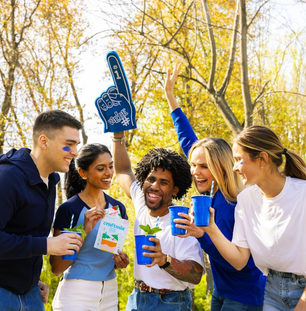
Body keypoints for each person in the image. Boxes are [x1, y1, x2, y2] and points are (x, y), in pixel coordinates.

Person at [164, 63, 267, 310]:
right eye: (193, 164)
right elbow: (189, 140)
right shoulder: (209, 191)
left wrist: (202, 235)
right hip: (222, 289)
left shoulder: (231, 204)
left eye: (202, 166)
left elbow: (236, 260)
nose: (194, 171)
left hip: (244, 294)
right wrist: (171, 98)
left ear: (220, 167)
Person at [187, 125, 306, 310]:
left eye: (238, 160)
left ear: (262, 159)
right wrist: (209, 229)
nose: (233, 168)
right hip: (271, 289)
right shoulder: (246, 199)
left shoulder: (302, 194)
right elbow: (239, 259)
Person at [0, 110, 84, 311]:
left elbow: (25, 232)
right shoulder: (8, 177)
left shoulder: (50, 180)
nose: (75, 152)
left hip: (29, 294)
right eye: (69, 144)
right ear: (44, 141)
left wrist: (31, 280)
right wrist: (47, 245)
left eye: (76, 146)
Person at [112, 132, 205, 311]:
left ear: (175, 190)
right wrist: (118, 136)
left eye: (163, 183)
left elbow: (196, 274)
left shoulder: (182, 221)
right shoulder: (141, 202)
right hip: (137, 299)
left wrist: (164, 260)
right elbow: (123, 171)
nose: (154, 186)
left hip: (171, 302)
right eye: (151, 179)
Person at [50, 143, 129, 311]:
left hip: (109, 292)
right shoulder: (69, 210)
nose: (108, 173)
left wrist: (119, 262)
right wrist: (83, 231)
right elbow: (56, 267)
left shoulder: (118, 209)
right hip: (77, 294)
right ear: (83, 173)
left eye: (110, 166)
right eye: (101, 168)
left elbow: (106, 255)